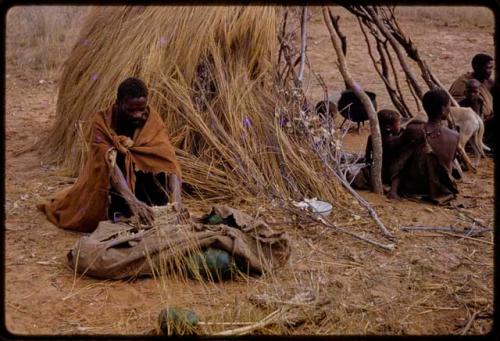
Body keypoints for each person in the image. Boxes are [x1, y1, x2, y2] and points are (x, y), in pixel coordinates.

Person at [39, 77, 189, 232]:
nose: (137, 115)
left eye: (141, 109)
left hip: (145, 185)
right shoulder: (102, 122)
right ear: (118, 104)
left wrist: (176, 203)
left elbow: (169, 162)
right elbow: (108, 163)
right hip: (115, 189)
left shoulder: (152, 120)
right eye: (131, 110)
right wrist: (133, 202)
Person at [386, 88, 459, 204]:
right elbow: (449, 162)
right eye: (449, 106)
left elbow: (398, 156)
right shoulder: (454, 136)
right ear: (442, 109)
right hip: (441, 188)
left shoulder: (414, 130)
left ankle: (394, 188)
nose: (450, 109)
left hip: (413, 187)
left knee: (402, 154)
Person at [449, 53, 494, 152]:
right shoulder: (464, 84)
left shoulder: (488, 82)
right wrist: (473, 100)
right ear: (476, 67)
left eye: (491, 68)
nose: (490, 71)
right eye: (487, 68)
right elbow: (455, 106)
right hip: (471, 123)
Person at [348, 109, 402, 191]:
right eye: (398, 124)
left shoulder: (372, 137)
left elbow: (367, 158)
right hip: (386, 174)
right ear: (388, 128)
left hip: (372, 170)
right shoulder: (395, 141)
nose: (400, 126)